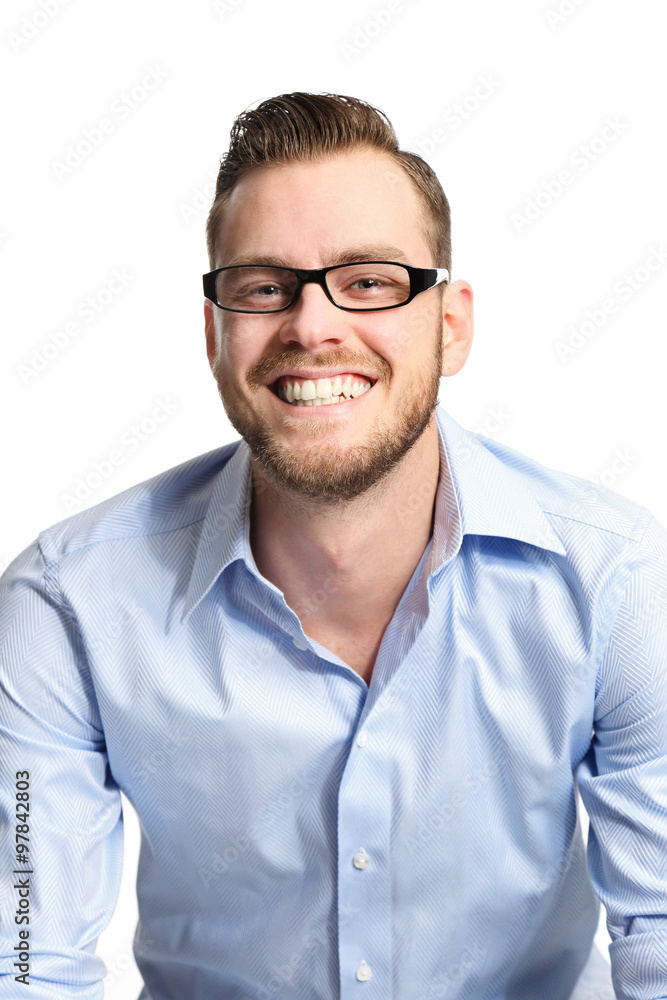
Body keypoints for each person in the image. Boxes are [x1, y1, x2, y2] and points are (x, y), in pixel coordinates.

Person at [0, 91, 665, 1000]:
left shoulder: (619, 584)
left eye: (369, 282)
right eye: (264, 287)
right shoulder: (69, 603)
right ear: (215, 332)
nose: (312, 327)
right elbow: (25, 957)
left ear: (452, 323)